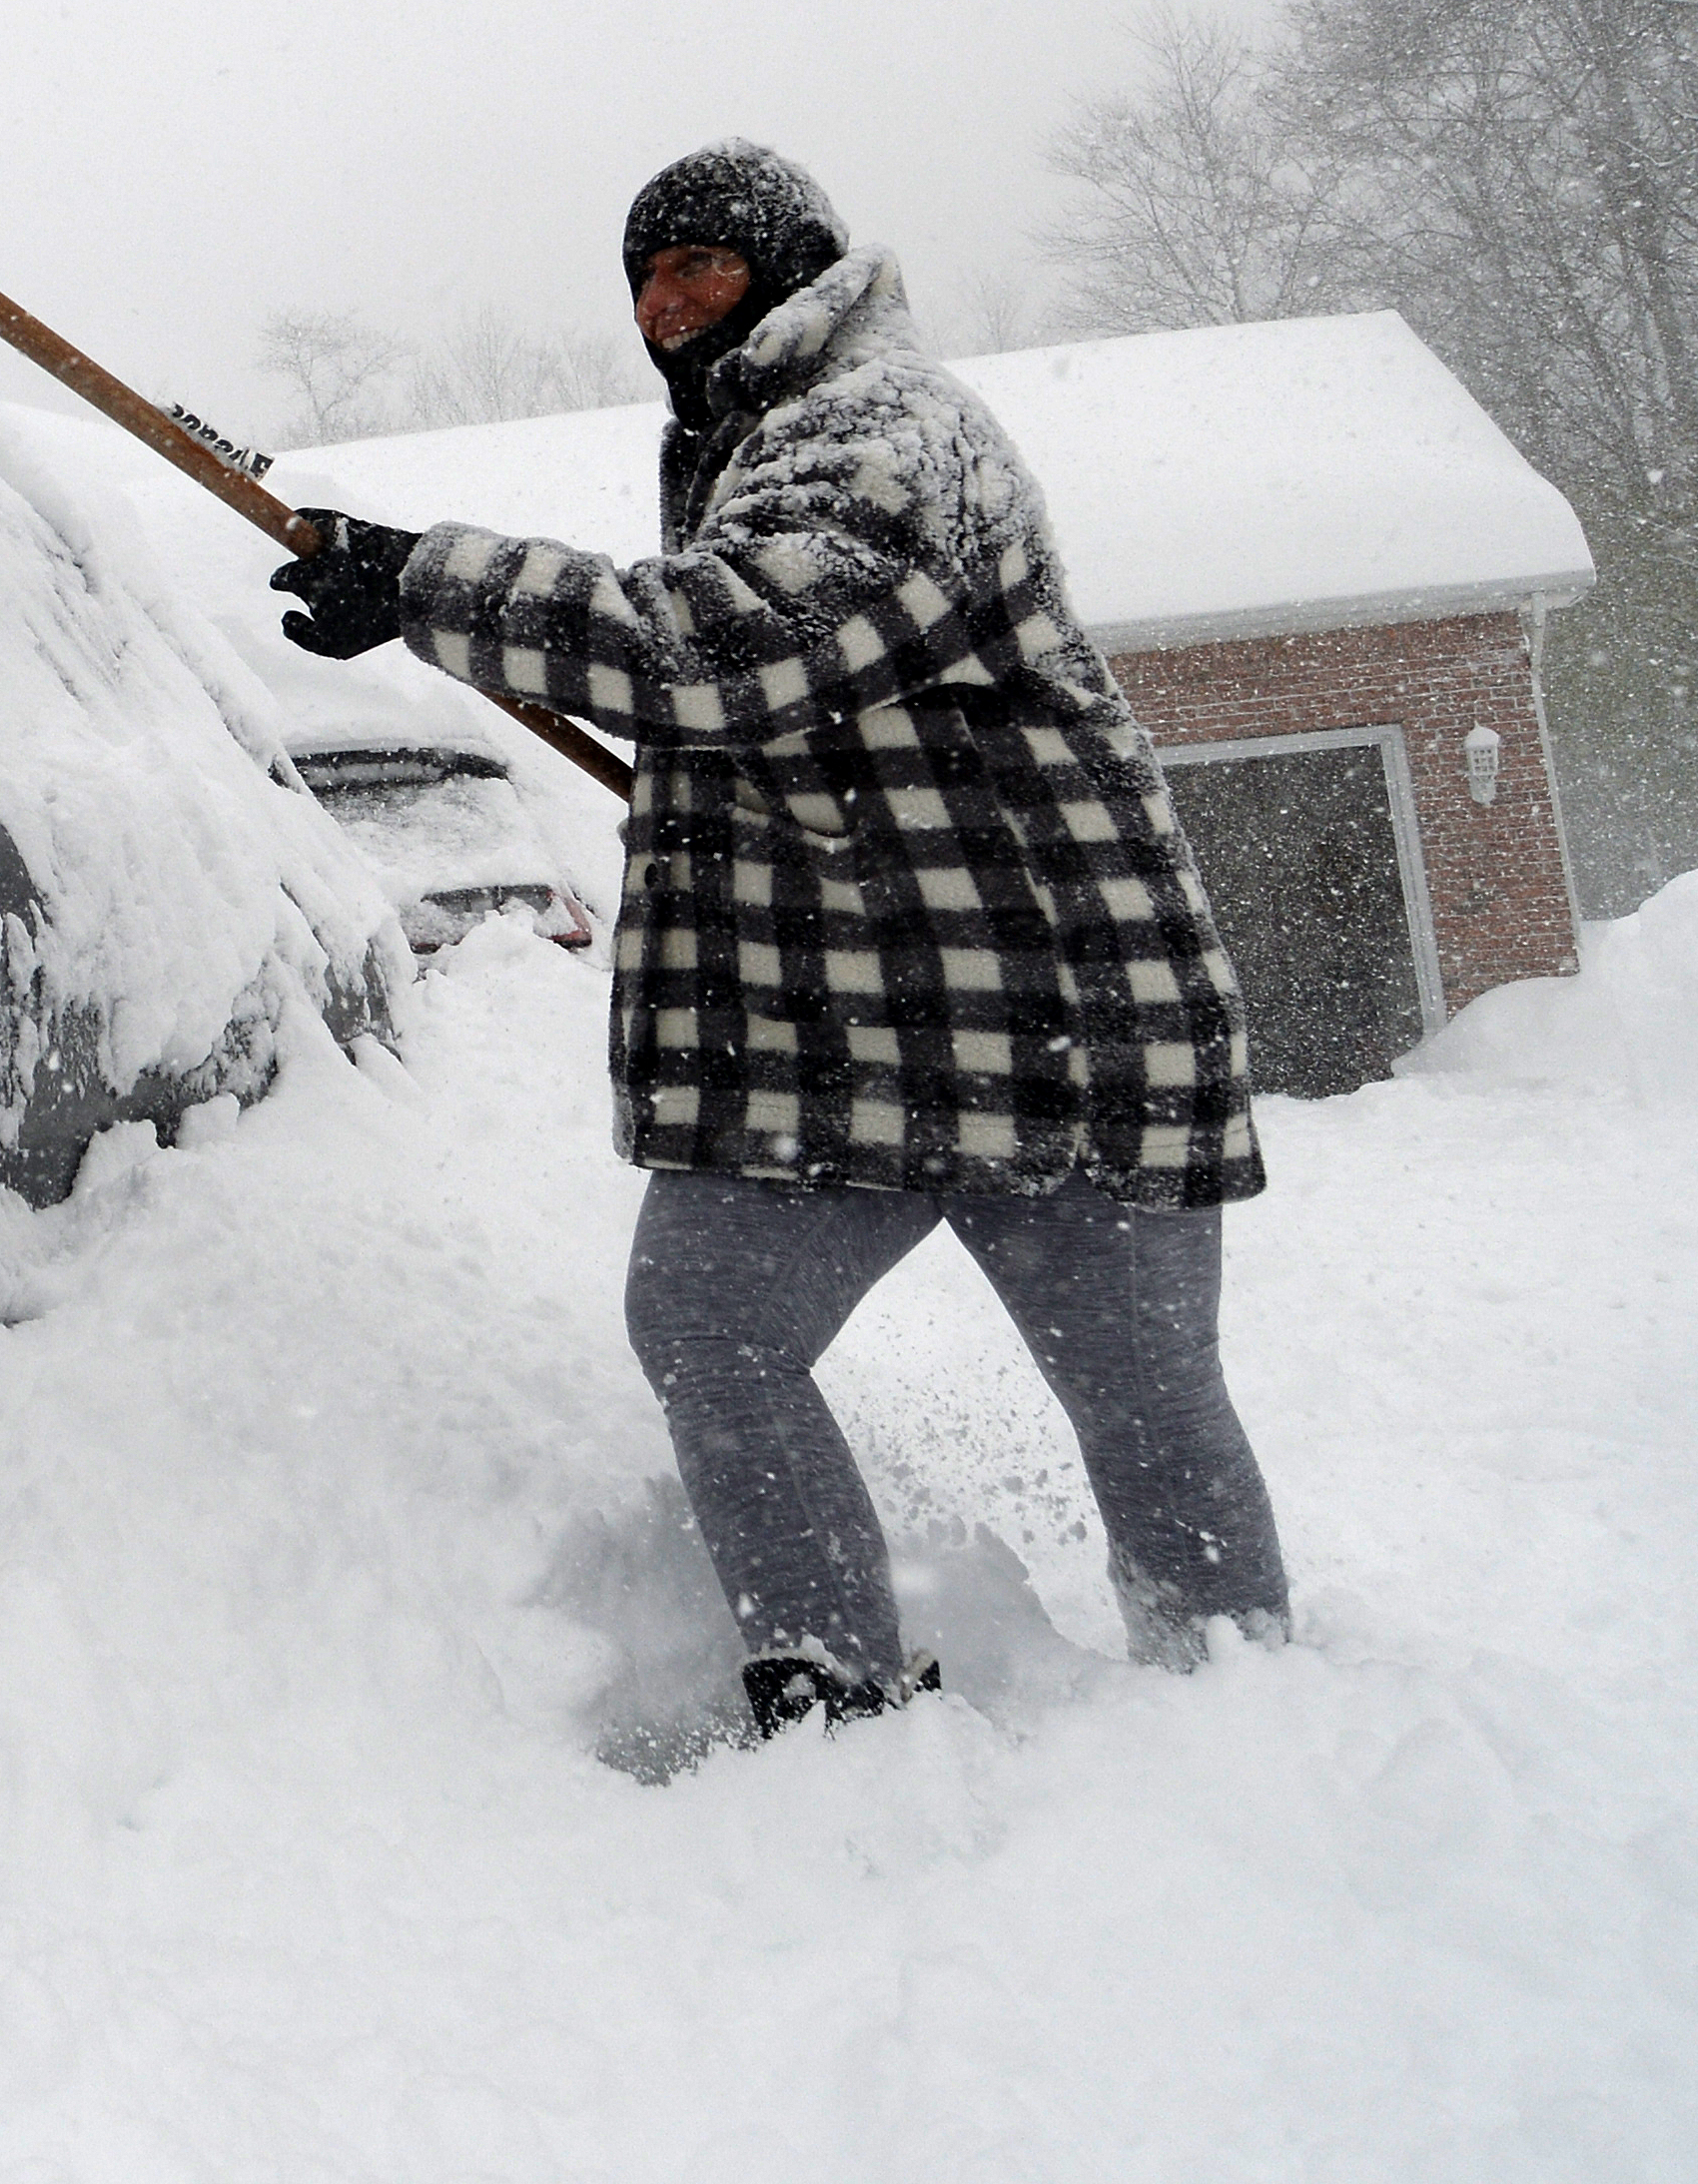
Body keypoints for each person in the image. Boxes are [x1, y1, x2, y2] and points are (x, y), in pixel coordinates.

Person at [268, 144, 1285, 1737]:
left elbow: (745, 645)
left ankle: (1260, 1711)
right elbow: (761, 693)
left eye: (702, 266)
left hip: (1057, 1015)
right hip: (853, 1029)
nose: (664, 303)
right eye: (643, 276)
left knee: (1144, 1403)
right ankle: (829, 1689)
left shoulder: (892, 430)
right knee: (711, 1325)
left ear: (793, 267)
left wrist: (427, 582)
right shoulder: (753, 448)